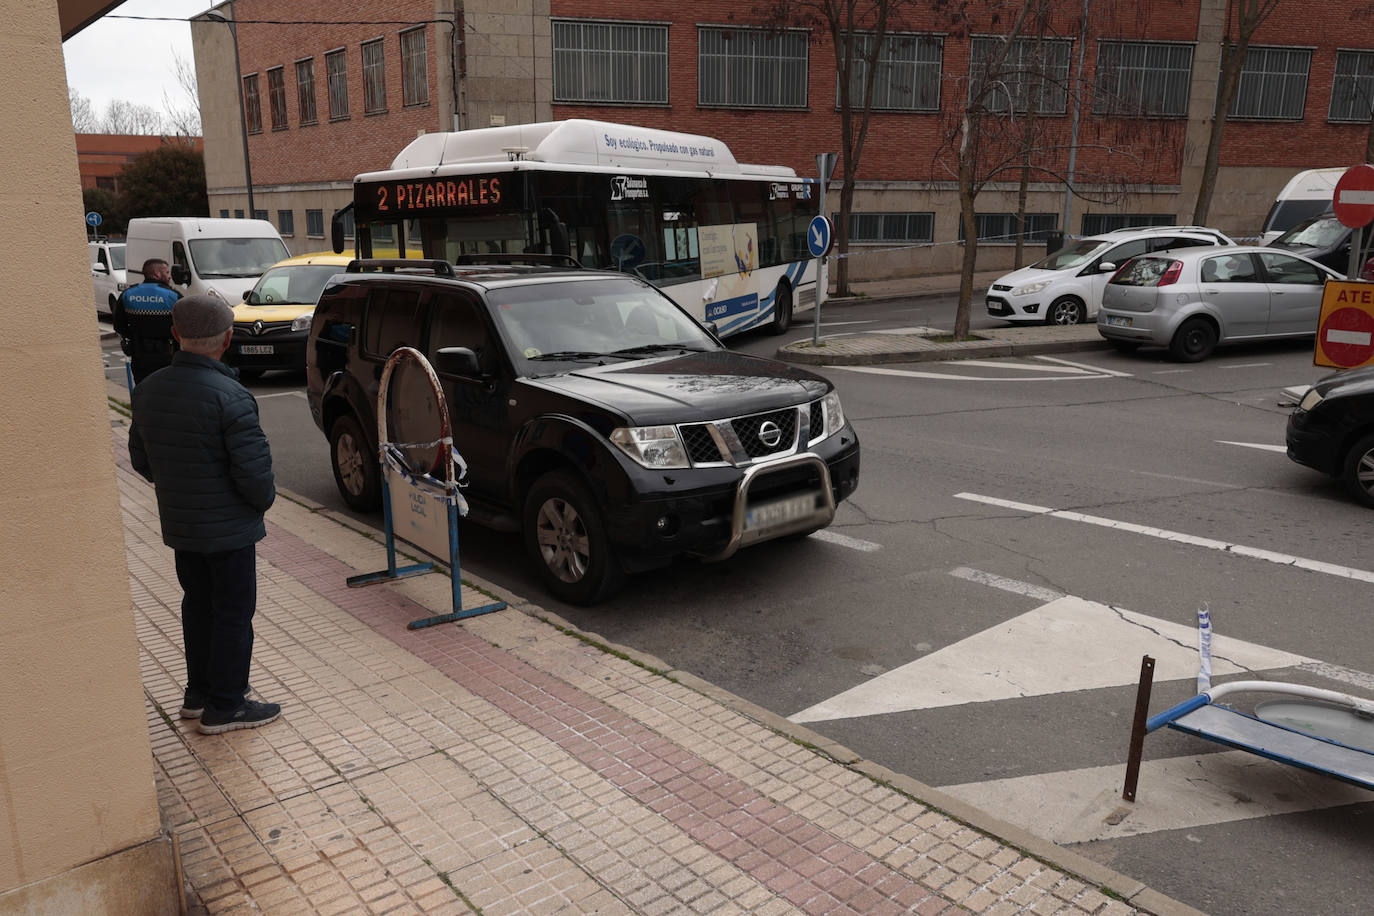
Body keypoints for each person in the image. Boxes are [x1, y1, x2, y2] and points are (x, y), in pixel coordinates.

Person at [128, 295, 280, 735]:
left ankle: (198, 694)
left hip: (183, 526)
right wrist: (257, 505)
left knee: (197, 606)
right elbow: (255, 479)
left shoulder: (149, 388)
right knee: (233, 612)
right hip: (230, 530)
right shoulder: (231, 395)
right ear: (228, 339)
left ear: (175, 335)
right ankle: (226, 706)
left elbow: (142, 461)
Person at [113, 258, 182, 383]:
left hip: (140, 356)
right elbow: (184, 326)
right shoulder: (173, 296)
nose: (169, 277)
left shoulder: (128, 295)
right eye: (166, 273)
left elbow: (118, 325)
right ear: (156, 273)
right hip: (168, 357)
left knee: (143, 391)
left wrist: (134, 337)